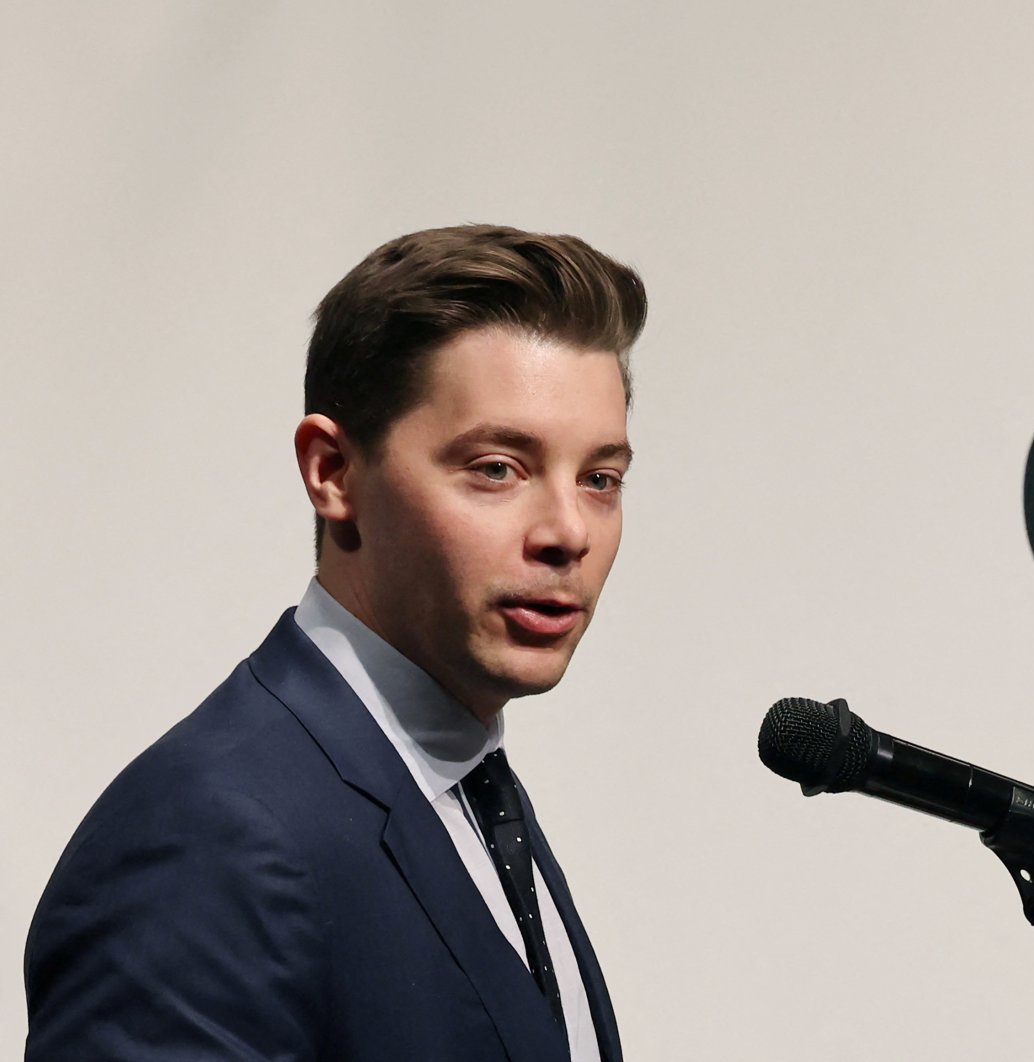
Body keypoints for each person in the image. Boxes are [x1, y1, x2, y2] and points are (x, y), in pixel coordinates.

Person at [23, 224, 646, 1062]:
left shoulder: (467, 787)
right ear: (332, 472)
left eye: (600, 479)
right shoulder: (211, 837)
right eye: (497, 467)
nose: (568, 531)